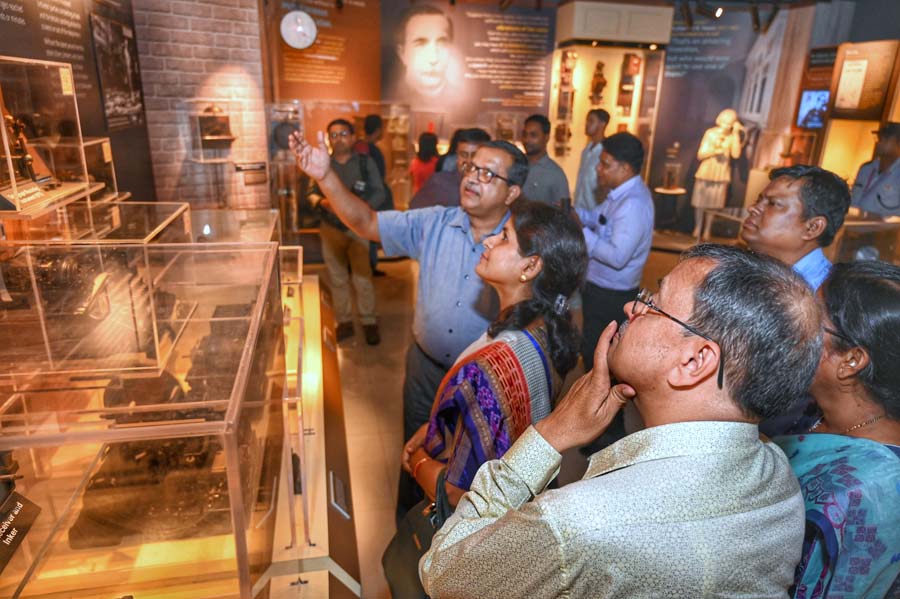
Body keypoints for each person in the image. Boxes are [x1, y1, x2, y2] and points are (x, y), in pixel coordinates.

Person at [420, 243, 822, 598]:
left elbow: (443, 574)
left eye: (654, 304)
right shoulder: (776, 472)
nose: (633, 307)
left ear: (694, 361)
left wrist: (547, 436)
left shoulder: (580, 526)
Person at [290, 130, 528, 514]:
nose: (471, 177)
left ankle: (453, 551)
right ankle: (409, 530)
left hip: (481, 380)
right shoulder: (434, 223)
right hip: (425, 367)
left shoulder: (523, 245)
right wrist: (325, 176)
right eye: (470, 167)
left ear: (512, 192)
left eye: (488, 174)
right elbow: (366, 221)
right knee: (413, 450)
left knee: (471, 471)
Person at [401, 200, 588, 509]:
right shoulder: (544, 330)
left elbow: (459, 495)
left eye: (503, 237)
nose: (488, 241)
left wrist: (416, 460)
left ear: (530, 267)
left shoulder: (492, 366)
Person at [775, 261, 900, 599]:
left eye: (812, 320)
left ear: (851, 361)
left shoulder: (870, 490)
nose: (790, 327)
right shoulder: (806, 409)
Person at [575, 131, 654, 370]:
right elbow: (597, 218)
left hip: (610, 296)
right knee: (592, 351)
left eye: (605, 164)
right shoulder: (618, 196)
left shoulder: (633, 204)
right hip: (599, 289)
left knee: (600, 360)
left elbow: (617, 257)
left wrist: (581, 232)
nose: (598, 168)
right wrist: (575, 214)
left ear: (626, 168)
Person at [305, 118, 384, 345]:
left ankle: (369, 321)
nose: (338, 139)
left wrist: (363, 213)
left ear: (351, 137)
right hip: (331, 228)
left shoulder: (364, 163)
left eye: (342, 134)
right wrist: (321, 202)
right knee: (337, 277)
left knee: (362, 276)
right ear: (329, 140)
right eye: (333, 135)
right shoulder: (322, 164)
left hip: (359, 230)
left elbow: (379, 191)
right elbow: (310, 193)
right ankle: (345, 321)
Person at [740, 165, 851, 292]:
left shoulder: (824, 297)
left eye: (773, 203)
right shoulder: (748, 268)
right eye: (758, 200)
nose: (752, 208)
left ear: (812, 228)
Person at [691, 108, 746, 237]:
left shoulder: (732, 137)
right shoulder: (710, 133)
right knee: (700, 201)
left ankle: (707, 229)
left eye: (731, 122)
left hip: (721, 173)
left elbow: (736, 154)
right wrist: (715, 152)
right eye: (726, 122)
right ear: (720, 120)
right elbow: (701, 154)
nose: (728, 125)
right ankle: (698, 227)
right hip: (707, 170)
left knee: (714, 203)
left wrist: (737, 133)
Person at [409, 128, 490, 209]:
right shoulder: (439, 182)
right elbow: (414, 214)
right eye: (463, 155)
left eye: (474, 155)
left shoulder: (491, 186)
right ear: (457, 156)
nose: (468, 161)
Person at [354, 114, 393, 276]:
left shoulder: (358, 146)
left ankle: (366, 264)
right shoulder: (373, 151)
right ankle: (369, 265)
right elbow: (378, 179)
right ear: (378, 130)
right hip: (371, 197)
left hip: (360, 195)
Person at [393, 5, 455, 104]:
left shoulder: (468, 103)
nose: (433, 59)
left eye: (442, 43)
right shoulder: (392, 97)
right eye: (420, 44)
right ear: (402, 53)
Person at [520, 114, 570, 208]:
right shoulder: (516, 165)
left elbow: (563, 213)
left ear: (546, 138)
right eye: (525, 134)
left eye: (533, 135)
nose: (527, 140)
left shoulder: (556, 174)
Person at [850, 121, 900, 216]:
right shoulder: (866, 168)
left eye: (886, 139)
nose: (879, 142)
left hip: (884, 230)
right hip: (852, 226)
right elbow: (853, 199)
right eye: (879, 138)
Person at [573, 108, 610, 211]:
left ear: (602, 124)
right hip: (579, 209)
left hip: (595, 212)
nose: (587, 124)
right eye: (586, 121)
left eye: (591, 121)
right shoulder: (586, 150)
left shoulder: (606, 152)